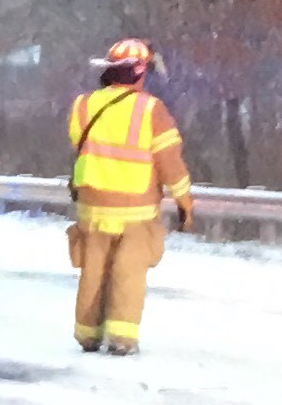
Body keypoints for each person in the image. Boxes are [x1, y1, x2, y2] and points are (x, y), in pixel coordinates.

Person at [67, 34, 194, 357]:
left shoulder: (83, 105)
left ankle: (88, 335)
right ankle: (121, 340)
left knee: (93, 271)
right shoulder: (152, 110)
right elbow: (170, 162)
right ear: (139, 72)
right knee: (128, 274)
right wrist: (184, 201)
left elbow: (81, 146)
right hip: (135, 210)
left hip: (92, 206)